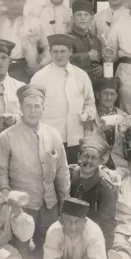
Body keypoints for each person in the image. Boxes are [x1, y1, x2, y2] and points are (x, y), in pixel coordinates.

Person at [0, 84, 71, 259]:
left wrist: (63, 202)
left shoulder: (53, 134)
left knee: (50, 254)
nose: (33, 111)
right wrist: (10, 202)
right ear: (20, 107)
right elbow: (1, 173)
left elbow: (62, 171)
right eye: (28, 106)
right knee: (20, 256)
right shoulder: (7, 137)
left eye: (37, 106)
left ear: (43, 108)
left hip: (49, 205)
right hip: (22, 208)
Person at [30, 34, 97, 164]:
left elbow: (89, 102)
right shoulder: (39, 78)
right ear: (50, 52)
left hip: (76, 138)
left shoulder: (81, 76)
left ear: (70, 52)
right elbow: (32, 108)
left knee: (73, 173)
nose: (59, 55)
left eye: (63, 51)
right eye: (55, 51)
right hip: (50, 139)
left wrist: (88, 114)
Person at [0, 0, 50, 83]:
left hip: (25, 70)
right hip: (1, 68)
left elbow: (48, 48)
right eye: (11, 1)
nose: (14, 4)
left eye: (18, 1)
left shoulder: (35, 23)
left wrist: (40, 67)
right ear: (5, 2)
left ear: (24, 2)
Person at [69, 136, 118, 251]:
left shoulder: (105, 187)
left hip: (92, 237)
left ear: (100, 162)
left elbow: (108, 224)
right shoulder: (69, 175)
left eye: (94, 158)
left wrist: (104, 251)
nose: (89, 161)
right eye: (86, 156)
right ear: (78, 157)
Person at [43, 198, 108, 259]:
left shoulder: (94, 232)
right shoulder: (53, 232)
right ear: (61, 221)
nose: (73, 227)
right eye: (69, 221)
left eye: (77, 222)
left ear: (85, 222)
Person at [92, 77, 131, 170]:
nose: (109, 97)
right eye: (105, 93)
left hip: (120, 165)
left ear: (116, 96)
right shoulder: (90, 116)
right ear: (97, 94)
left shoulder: (124, 117)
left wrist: (130, 139)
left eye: (112, 94)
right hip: (95, 163)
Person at [68, 0, 105, 80]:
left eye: (86, 14)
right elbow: (65, 60)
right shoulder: (68, 38)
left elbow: (102, 58)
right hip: (75, 81)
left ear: (91, 18)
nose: (83, 18)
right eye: (79, 14)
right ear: (73, 18)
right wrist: (87, 56)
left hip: (94, 84)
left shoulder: (95, 39)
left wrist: (102, 68)